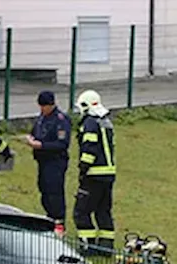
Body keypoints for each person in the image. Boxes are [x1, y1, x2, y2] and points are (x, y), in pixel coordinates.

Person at [73, 89, 116, 255]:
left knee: (81, 211)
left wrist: (83, 169)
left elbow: (89, 149)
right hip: (109, 174)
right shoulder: (105, 122)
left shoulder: (90, 123)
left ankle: (87, 245)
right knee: (103, 210)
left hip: (94, 174)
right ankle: (106, 247)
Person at [25, 90, 71, 234]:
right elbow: (35, 131)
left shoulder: (60, 120)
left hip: (55, 161)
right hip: (42, 161)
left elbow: (62, 144)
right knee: (43, 189)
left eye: (43, 106)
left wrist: (42, 146)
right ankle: (49, 218)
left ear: (50, 105)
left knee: (54, 191)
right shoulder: (41, 118)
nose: (41, 109)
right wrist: (31, 139)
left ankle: (59, 222)